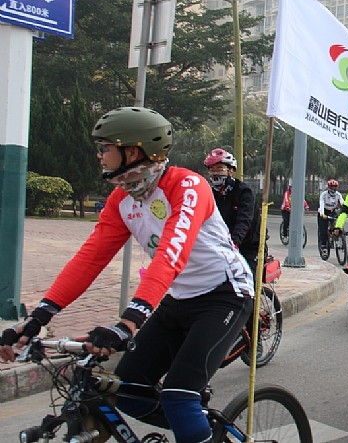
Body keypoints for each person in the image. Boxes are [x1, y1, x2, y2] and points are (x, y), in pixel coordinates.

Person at [0, 107, 254, 443]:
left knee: (178, 395)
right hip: (178, 298)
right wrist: (39, 317)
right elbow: (89, 259)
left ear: (132, 151)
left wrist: (129, 322)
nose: (99, 155)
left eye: (104, 148)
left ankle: (189, 414)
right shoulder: (123, 199)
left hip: (225, 296)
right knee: (129, 392)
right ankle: (199, 425)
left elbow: (170, 255)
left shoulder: (188, 186)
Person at [203, 148, 263, 271]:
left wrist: (233, 243)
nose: (215, 173)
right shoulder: (210, 193)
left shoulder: (244, 192)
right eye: (212, 170)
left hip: (248, 246)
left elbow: (244, 221)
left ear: (231, 171)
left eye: (219, 169)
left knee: (245, 275)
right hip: (220, 246)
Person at [317, 179, 344, 255]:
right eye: (332, 187)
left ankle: (336, 238)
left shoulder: (338, 194)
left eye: (335, 187)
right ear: (329, 187)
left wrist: (347, 211)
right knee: (323, 230)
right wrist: (322, 214)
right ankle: (323, 246)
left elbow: (342, 203)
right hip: (324, 212)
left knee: (337, 226)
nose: (333, 189)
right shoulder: (324, 194)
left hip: (332, 211)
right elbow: (321, 204)